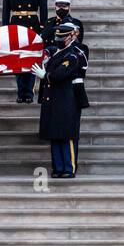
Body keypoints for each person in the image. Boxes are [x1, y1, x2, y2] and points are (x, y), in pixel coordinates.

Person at [34, 21, 85, 178]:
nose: (58, 39)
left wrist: (45, 76)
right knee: (55, 134)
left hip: (66, 99)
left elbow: (60, 74)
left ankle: (68, 168)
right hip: (53, 99)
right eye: (57, 36)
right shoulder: (56, 52)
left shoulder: (72, 54)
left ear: (70, 37)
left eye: (62, 36)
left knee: (66, 135)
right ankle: (58, 168)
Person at [2, 0, 48, 103]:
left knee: (31, 59)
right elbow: (5, 10)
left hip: (32, 25)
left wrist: (42, 28)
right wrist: (5, 29)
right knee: (17, 60)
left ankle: (29, 92)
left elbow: (44, 10)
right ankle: (21, 92)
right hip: (15, 25)